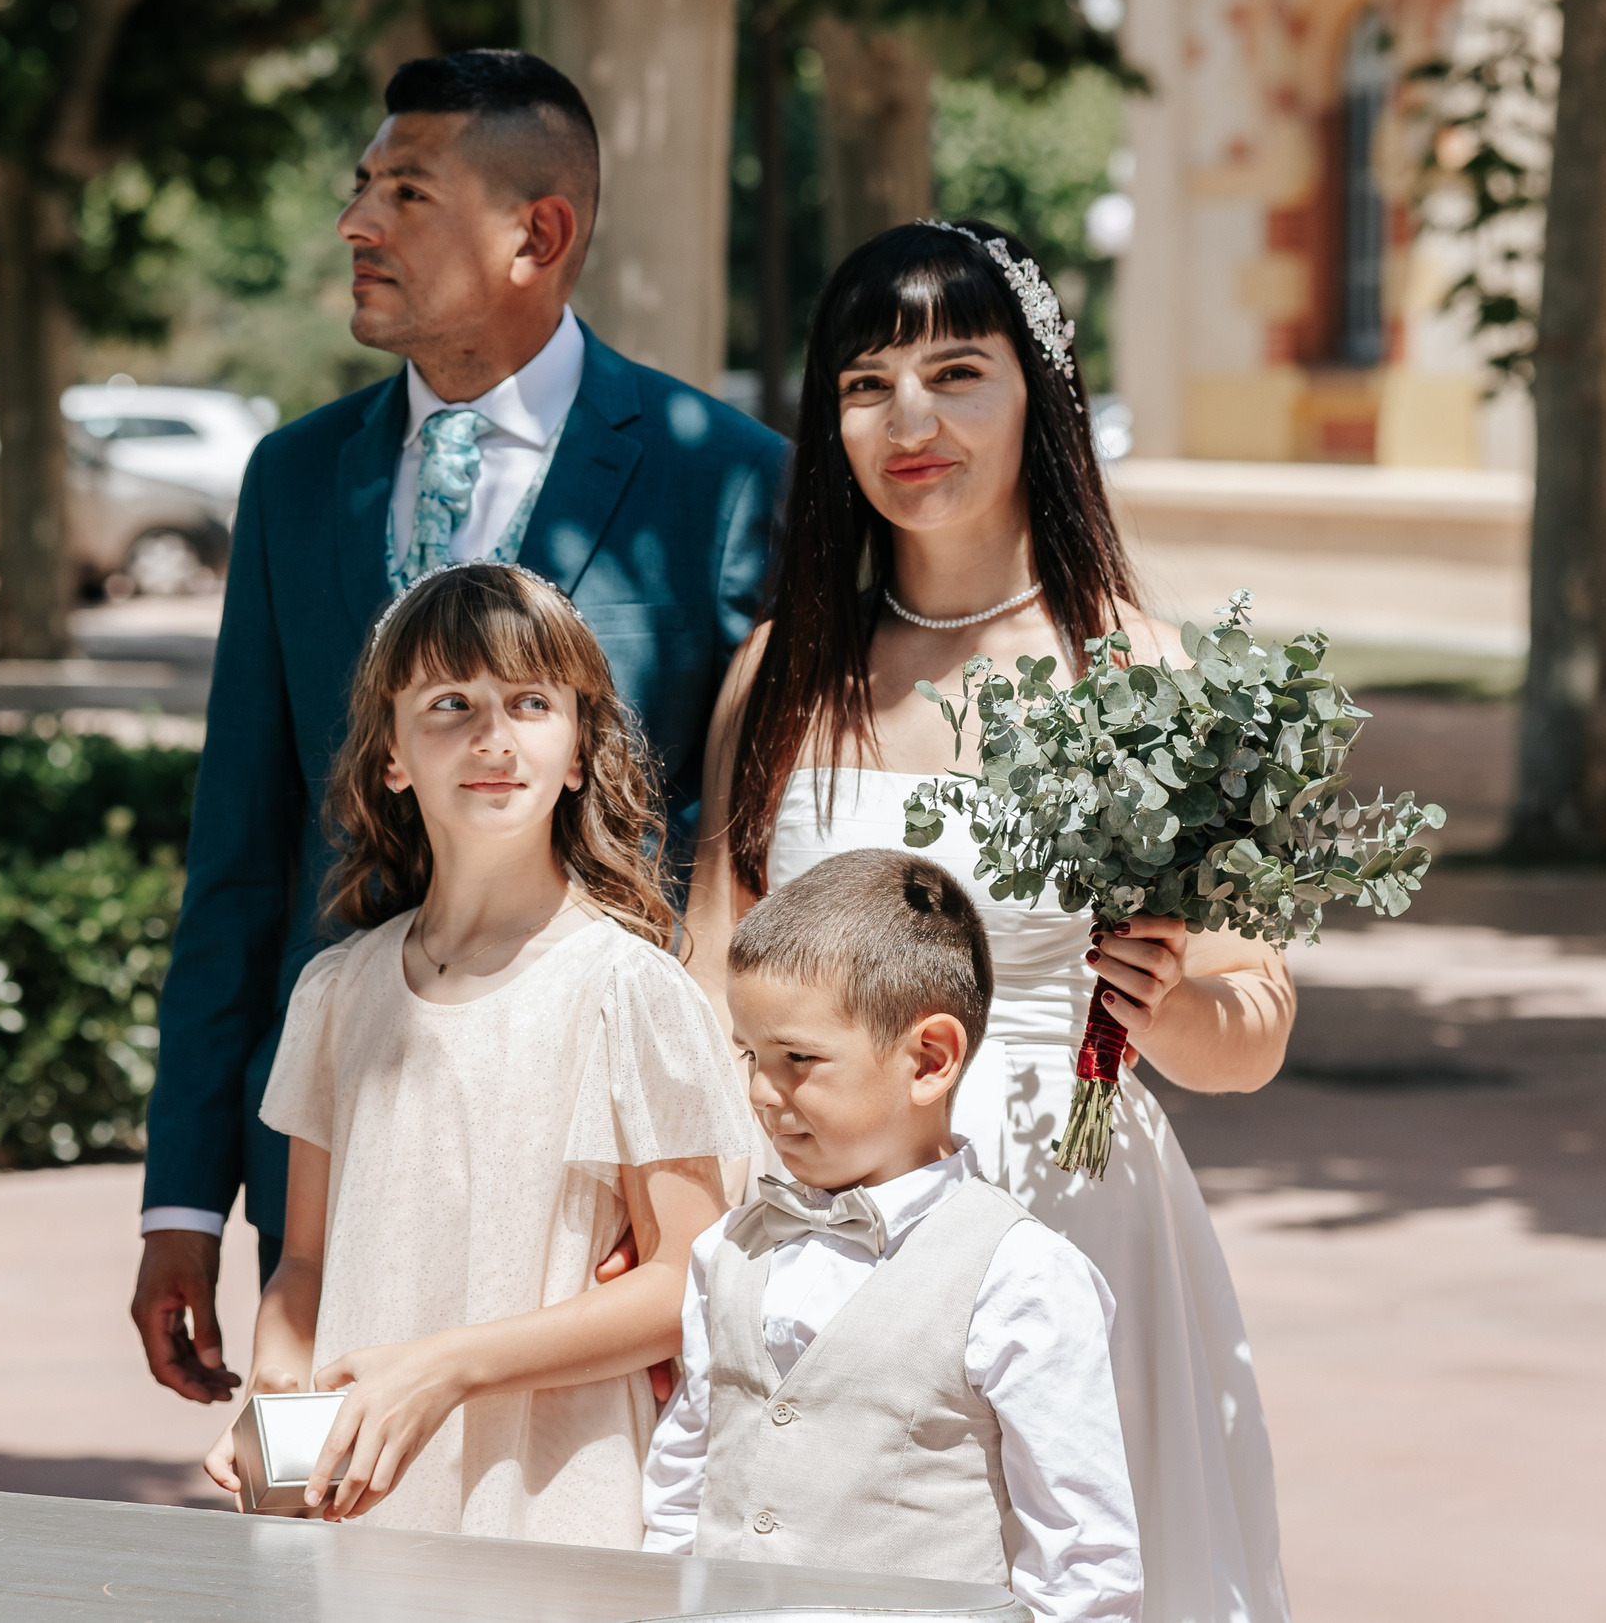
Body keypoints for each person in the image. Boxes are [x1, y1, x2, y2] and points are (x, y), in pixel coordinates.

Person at [133, 48, 789, 1404]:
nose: (357, 223)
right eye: (362, 186)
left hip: (597, 1183)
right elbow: (240, 848)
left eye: (407, 192)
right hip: (331, 1159)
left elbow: (755, 849)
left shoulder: (728, 480)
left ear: (535, 234)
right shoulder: (292, 477)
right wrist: (182, 1202)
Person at [682, 221, 1300, 1623]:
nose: (913, 420)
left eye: (959, 371)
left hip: (1070, 1206)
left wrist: (1170, 1001)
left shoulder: (1138, 667)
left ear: (1042, 391)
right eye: (865, 383)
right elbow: (702, 968)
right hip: (817, 1212)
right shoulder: (782, 670)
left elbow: (1251, 1027)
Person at [203, 565, 756, 1538]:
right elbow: (304, 1265)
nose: (493, 736)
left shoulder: (629, 993)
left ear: (579, 751)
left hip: (554, 1499)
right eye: (451, 703)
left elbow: (682, 1287)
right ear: (391, 756)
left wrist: (441, 1369)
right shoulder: (337, 992)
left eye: (530, 702)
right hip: (363, 1497)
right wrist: (281, 1418)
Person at [643, 849, 1140, 1623]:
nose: (761, 1092)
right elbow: (682, 1484)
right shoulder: (730, 1248)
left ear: (929, 1059)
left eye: (798, 1059)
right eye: (751, 1055)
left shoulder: (1020, 1275)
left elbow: (1082, 1556)